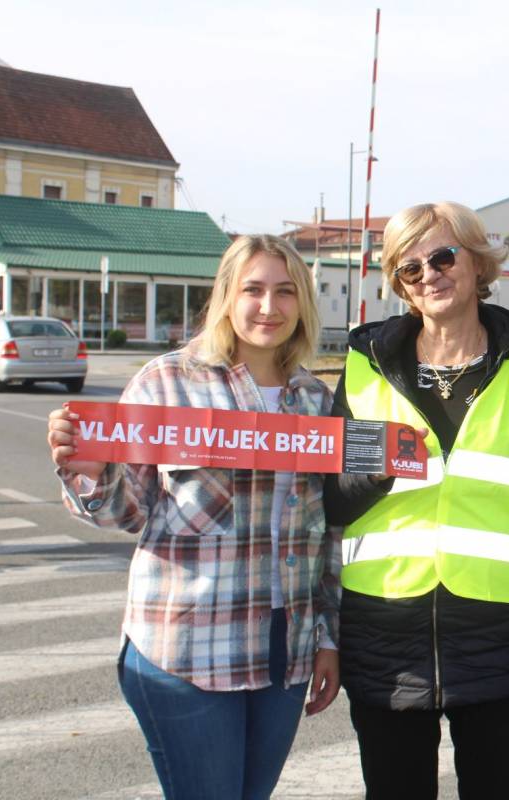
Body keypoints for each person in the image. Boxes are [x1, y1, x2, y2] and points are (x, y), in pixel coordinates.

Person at [46, 234, 340, 800]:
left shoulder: (316, 401)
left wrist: (328, 636)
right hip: (186, 649)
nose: (268, 307)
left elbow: (325, 532)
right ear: (227, 296)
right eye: (252, 289)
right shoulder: (166, 383)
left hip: (285, 651)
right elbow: (126, 512)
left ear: (302, 302)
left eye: (284, 292)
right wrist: (89, 469)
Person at [324, 201, 509, 800]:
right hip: (384, 632)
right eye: (409, 267)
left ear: (479, 264)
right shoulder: (364, 368)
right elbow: (329, 502)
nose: (429, 274)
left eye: (443, 256)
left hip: (502, 631)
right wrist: (372, 474)